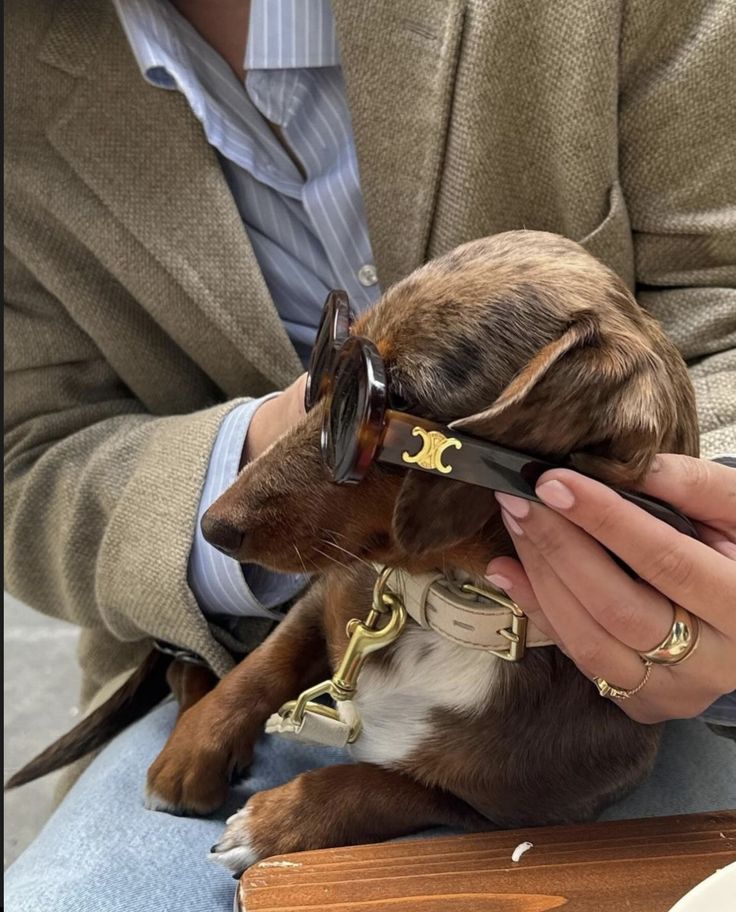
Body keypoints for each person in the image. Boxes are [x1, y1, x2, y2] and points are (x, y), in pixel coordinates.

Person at [4, 0, 735, 908]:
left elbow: (722, 289)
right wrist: (280, 447)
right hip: (222, 648)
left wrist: (692, 547)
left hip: (649, 691)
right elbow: (25, 449)